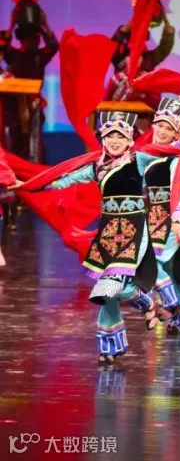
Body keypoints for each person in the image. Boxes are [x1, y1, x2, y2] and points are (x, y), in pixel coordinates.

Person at [15, 112, 161, 364]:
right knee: (108, 293)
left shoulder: (139, 160)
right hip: (108, 233)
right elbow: (64, 180)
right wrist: (30, 186)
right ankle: (110, 346)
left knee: (111, 287)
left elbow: (168, 156)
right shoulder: (97, 167)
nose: (114, 141)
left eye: (120, 136)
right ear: (103, 139)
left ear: (129, 140)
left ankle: (145, 302)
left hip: (134, 231)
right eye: (110, 136)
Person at [144, 97, 180, 334]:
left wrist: (176, 221)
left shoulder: (175, 156)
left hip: (171, 216)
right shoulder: (147, 152)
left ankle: (171, 303)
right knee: (167, 270)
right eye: (160, 125)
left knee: (148, 263)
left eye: (169, 129)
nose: (163, 131)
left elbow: (176, 188)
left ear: (177, 133)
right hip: (152, 216)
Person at [4, 0, 58, 163]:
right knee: (15, 144)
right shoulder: (14, 56)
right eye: (31, 38)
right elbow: (3, 47)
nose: (35, 41)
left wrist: (44, 24)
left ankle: (33, 174)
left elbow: (53, 45)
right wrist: (12, 24)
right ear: (22, 40)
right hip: (14, 109)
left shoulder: (39, 57)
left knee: (34, 147)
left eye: (37, 38)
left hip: (33, 108)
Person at [105, 9, 175, 107]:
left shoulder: (149, 59)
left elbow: (165, 47)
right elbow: (112, 45)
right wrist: (133, 21)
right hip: (119, 108)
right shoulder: (119, 58)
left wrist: (165, 21)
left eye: (142, 35)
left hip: (144, 109)